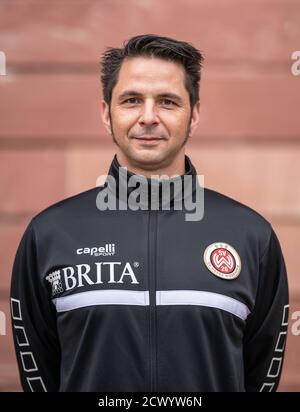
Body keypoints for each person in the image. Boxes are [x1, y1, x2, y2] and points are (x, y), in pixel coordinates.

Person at [10, 34, 289, 392]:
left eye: (168, 102)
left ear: (195, 114)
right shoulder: (48, 234)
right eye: (131, 100)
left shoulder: (252, 237)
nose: (148, 117)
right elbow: (39, 372)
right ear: (106, 113)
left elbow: (261, 372)